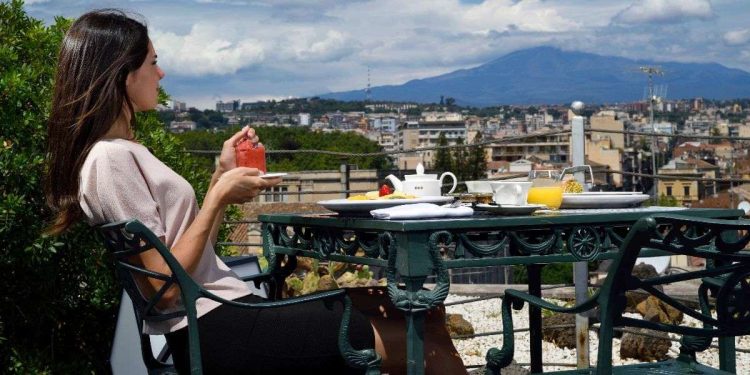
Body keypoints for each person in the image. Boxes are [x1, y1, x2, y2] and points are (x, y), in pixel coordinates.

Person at [44, 9, 466, 375]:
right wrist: (217, 198)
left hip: (219, 316)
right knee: (417, 331)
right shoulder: (110, 160)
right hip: (215, 330)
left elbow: (185, 259)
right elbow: (166, 290)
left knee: (410, 307)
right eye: (153, 62)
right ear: (123, 73)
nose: (161, 72)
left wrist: (218, 179)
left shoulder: (121, 153)